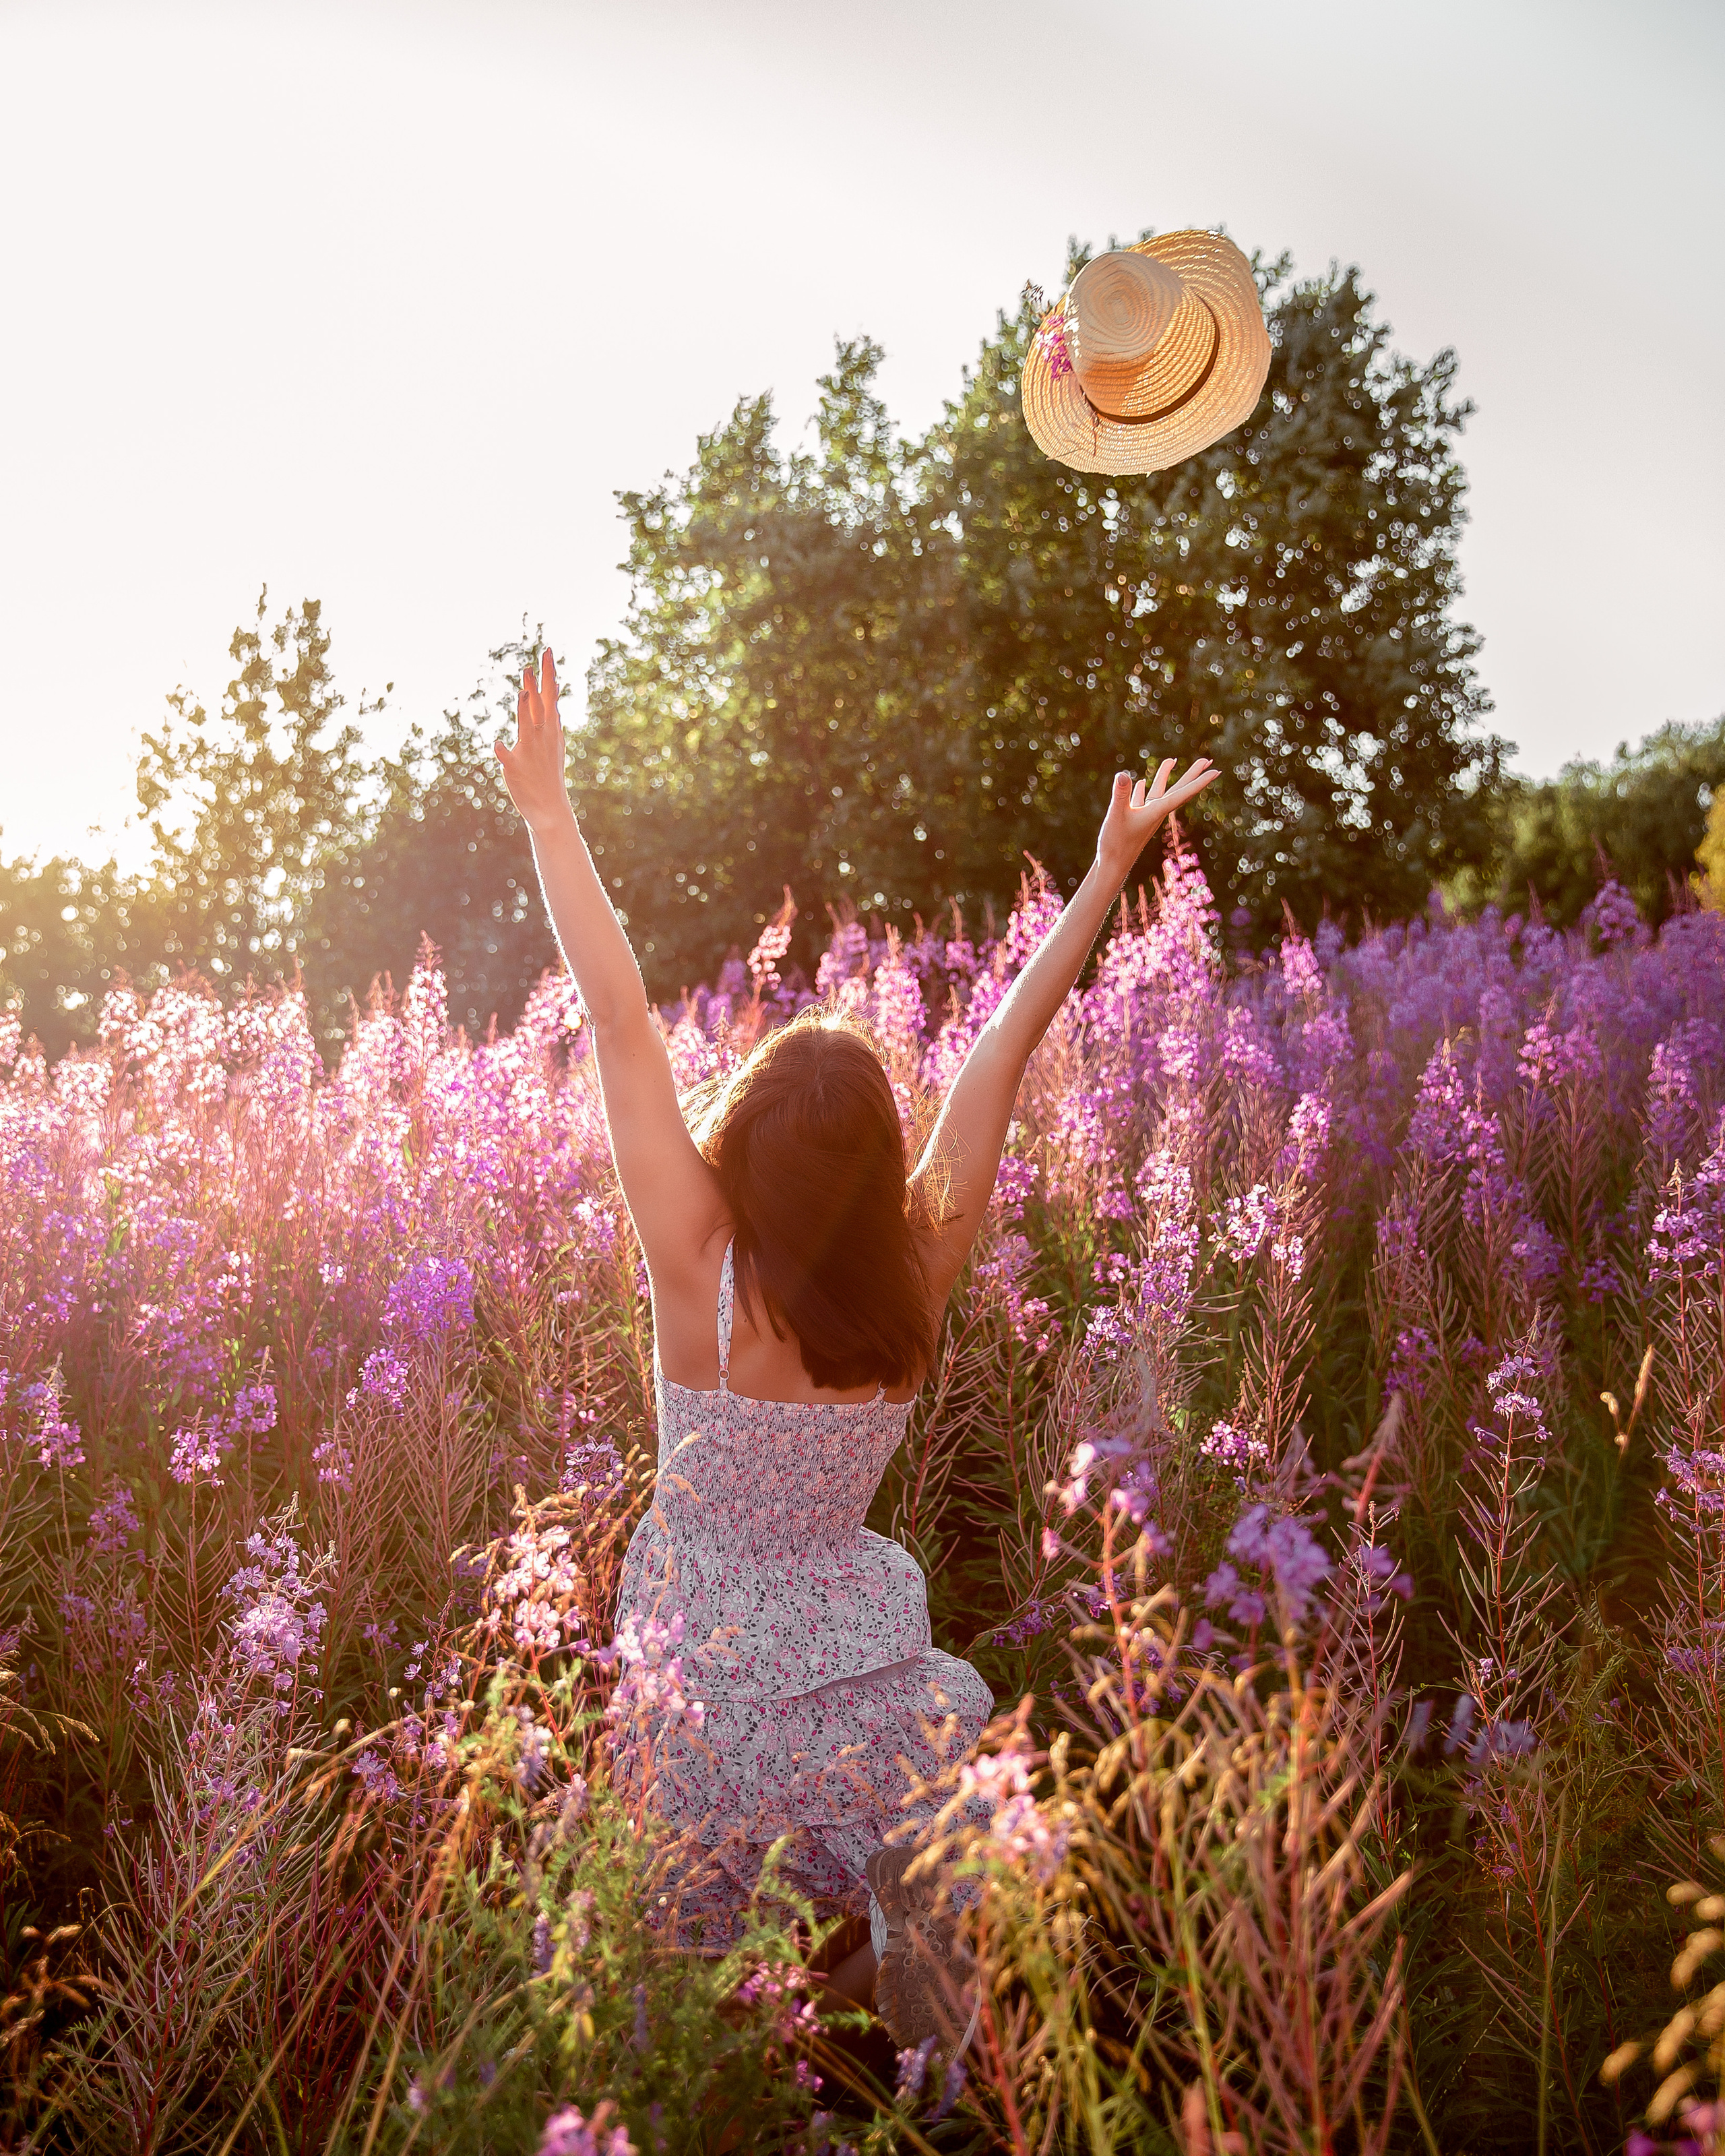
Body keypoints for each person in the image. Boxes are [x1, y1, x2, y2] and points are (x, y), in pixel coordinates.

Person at [495, 648, 1216, 2040]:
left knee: (688, 1988)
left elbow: (619, 1018)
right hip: (856, 1693)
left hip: (700, 1700)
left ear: (743, 1150)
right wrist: (1105, 872)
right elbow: (1002, 1050)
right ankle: (878, 2038)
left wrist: (548, 812)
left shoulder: (698, 1265)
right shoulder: (915, 1275)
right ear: (881, 1163)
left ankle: (775, 2054)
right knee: (908, 1907)